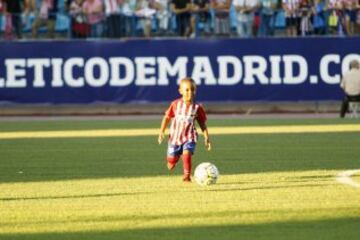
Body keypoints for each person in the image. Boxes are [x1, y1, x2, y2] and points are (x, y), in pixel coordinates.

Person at [158, 77, 211, 182]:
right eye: (187, 90)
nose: (190, 92)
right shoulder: (175, 104)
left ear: (195, 91)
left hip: (189, 136)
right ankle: (174, 159)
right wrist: (161, 132)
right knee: (171, 163)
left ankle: (187, 176)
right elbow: (167, 118)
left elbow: (202, 123)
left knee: (187, 153)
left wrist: (207, 137)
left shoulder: (197, 108)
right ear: (180, 91)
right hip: (175, 138)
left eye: (192, 89)